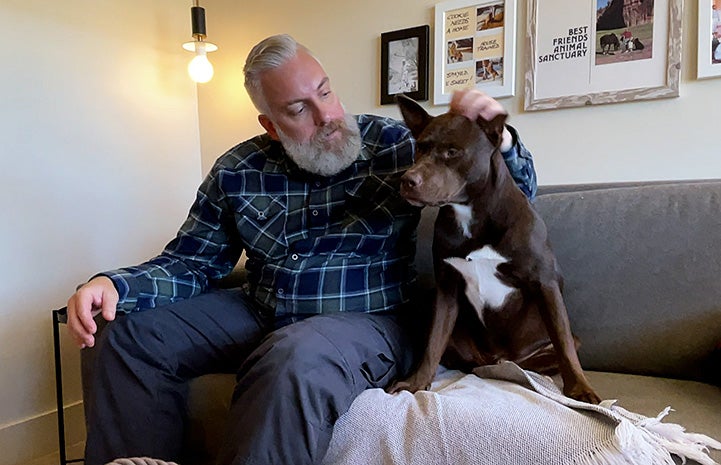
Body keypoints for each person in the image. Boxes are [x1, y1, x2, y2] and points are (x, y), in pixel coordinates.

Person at [66, 34, 537, 465]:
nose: (327, 115)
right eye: (298, 109)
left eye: (325, 92)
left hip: (369, 318)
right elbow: (191, 261)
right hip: (260, 307)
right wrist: (113, 283)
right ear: (270, 125)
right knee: (124, 333)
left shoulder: (397, 146)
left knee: (294, 355)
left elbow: (514, 202)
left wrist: (503, 136)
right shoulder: (238, 169)